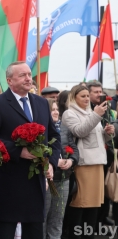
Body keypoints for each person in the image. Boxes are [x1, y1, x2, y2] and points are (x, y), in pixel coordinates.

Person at [0, 62, 61, 239]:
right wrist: (18, 151)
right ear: (9, 80)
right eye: (22, 75)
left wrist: (52, 163)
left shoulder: (41, 103)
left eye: (29, 75)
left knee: (34, 232)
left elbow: (54, 137)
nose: (28, 78)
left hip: (36, 181)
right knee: (6, 232)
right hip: (10, 181)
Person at [62, 84, 114, 239]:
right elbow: (80, 131)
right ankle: (74, 235)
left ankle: (88, 236)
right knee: (80, 205)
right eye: (82, 96)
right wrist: (96, 115)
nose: (86, 99)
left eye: (87, 96)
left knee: (94, 206)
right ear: (74, 97)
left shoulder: (91, 112)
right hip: (83, 165)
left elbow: (95, 138)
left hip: (97, 162)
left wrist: (106, 133)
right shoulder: (69, 114)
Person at [43, 98, 79, 239]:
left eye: (57, 109)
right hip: (47, 179)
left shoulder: (64, 128)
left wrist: (71, 160)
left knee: (58, 218)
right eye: (52, 109)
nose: (56, 112)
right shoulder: (40, 129)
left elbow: (75, 150)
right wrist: (53, 162)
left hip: (63, 179)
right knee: (43, 217)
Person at [86, 81, 116, 228]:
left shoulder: (107, 107)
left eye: (101, 91)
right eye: (96, 92)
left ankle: (102, 218)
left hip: (107, 154)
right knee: (93, 192)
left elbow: (112, 123)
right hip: (91, 157)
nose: (100, 94)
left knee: (105, 190)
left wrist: (112, 129)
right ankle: (92, 222)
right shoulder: (86, 109)